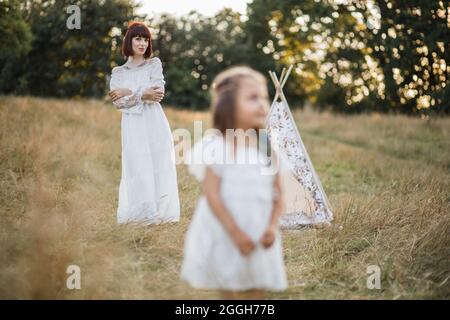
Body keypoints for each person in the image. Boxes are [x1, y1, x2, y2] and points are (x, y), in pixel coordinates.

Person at [181, 66, 288, 299]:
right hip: (225, 230)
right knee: (227, 282)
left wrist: (271, 227)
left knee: (255, 285)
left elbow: (278, 194)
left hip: (259, 231)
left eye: (264, 97)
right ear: (228, 105)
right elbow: (212, 195)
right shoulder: (217, 147)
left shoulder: (266, 147)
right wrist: (235, 233)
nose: (262, 104)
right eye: (252, 97)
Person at [109, 21, 180, 225]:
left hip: (154, 121)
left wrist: (129, 92)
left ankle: (160, 213)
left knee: (158, 164)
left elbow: (158, 94)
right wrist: (139, 93)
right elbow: (119, 103)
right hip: (132, 126)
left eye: (146, 39)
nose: (142, 43)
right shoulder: (118, 73)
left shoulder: (154, 64)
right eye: (138, 38)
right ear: (129, 40)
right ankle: (142, 215)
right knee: (137, 166)